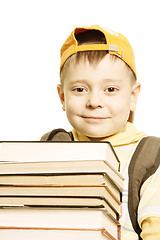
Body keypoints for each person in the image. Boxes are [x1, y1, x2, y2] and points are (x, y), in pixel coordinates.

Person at [41, 25, 160, 239]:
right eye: (79, 89)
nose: (94, 102)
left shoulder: (151, 157)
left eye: (110, 90)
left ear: (133, 96)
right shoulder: (51, 148)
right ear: (62, 97)